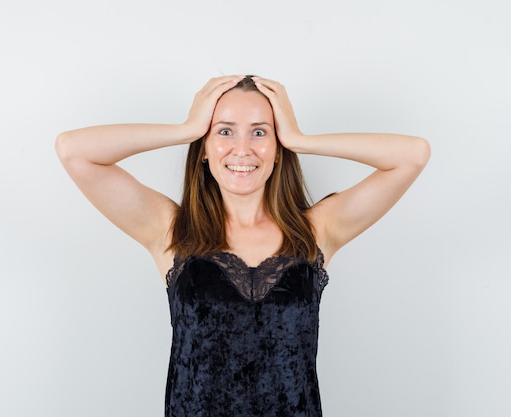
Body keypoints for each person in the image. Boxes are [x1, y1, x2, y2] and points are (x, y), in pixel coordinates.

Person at [55, 75, 430, 417]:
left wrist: (300, 139)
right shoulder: (172, 230)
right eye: (225, 132)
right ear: (203, 148)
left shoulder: (315, 231)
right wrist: (186, 129)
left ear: (278, 147)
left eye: (259, 132)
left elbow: (413, 155)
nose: (242, 149)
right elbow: (74, 150)